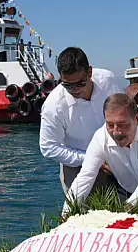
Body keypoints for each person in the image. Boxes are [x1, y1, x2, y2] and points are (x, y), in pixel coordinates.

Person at [63, 93, 138, 213]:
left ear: (137, 119)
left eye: (122, 125)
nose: (116, 132)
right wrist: (66, 214)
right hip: (128, 192)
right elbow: (85, 176)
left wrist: (129, 206)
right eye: (110, 125)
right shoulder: (100, 137)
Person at [39, 47, 123, 194]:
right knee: (81, 208)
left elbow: (125, 108)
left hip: (117, 156)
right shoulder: (53, 106)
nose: (75, 90)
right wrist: (90, 159)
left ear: (90, 72)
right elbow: (48, 147)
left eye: (80, 83)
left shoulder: (107, 80)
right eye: (68, 85)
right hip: (78, 166)